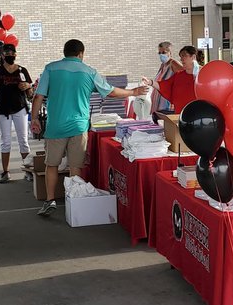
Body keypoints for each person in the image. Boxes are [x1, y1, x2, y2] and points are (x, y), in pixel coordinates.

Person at [31, 39, 148, 218]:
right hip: (78, 126)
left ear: (65, 53)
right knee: (75, 166)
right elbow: (110, 92)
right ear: (81, 54)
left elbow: (39, 96)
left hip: (55, 126)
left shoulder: (50, 68)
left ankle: (50, 200)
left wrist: (34, 118)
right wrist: (133, 92)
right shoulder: (89, 71)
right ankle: (75, 201)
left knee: (51, 164)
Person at [0, 46, 33, 182]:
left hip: (20, 108)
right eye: (7, 53)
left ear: (16, 54)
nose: (10, 55)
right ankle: (5, 172)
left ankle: (28, 171)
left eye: (12, 53)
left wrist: (28, 86)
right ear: (2, 55)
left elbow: (30, 93)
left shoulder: (22, 70)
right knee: (5, 141)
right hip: (2, 109)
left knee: (23, 141)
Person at [151, 45, 199, 113]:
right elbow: (165, 86)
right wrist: (151, 82)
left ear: (193, 57)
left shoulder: (203, 74)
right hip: (180, 114)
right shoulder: (178, 75)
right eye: (181, 57)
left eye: (184, 56)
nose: (181, 59)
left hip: (197, 113)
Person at [152, 42, 181, 118]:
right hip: (159, 107)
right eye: (160, 52)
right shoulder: (163, 65)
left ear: (170, 52)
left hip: (167, 107)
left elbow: (183, 77)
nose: (161, 55)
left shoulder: (173, 64)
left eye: (164, 52)